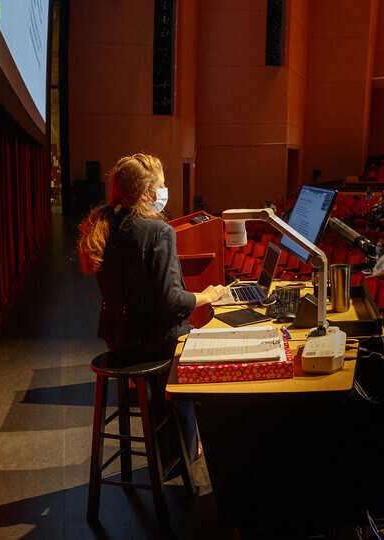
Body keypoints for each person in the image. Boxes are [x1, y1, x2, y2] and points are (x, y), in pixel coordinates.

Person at [78, 154, 225, 463]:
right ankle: (186, 451)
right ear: (145, 193)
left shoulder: (106, 223)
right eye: (160, 185)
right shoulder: (159, 232)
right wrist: (206, 296)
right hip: (151, 343)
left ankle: (174, 445)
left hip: (117, 338)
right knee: (205, 347)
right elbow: (172, 301)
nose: (164, 189)